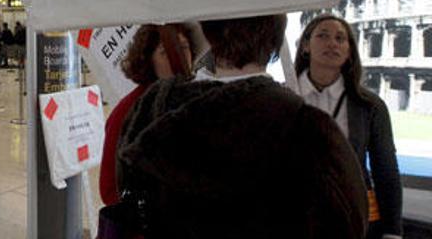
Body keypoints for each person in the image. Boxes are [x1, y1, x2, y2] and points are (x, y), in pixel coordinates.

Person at [116, 15, 368, 239]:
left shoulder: (149, 112)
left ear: (206, 31)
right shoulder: (310, 129)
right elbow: (346, 222)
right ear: (276, 40)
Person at [295, 14, 402, 239]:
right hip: (294, 216)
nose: (332, 43)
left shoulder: (370, 106)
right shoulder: (284, 97)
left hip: (351, 217)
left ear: (349, 51)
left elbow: (386, 170)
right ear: (305, 46)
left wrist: (392, 231)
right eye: (322, 35)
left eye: (340, 38)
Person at [99, 23, 196, 206]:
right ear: (148, 59)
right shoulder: (128, 111)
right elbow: (110, 188)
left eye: (184, 47)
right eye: (165, 53)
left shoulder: (196, 99)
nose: (178, 57)